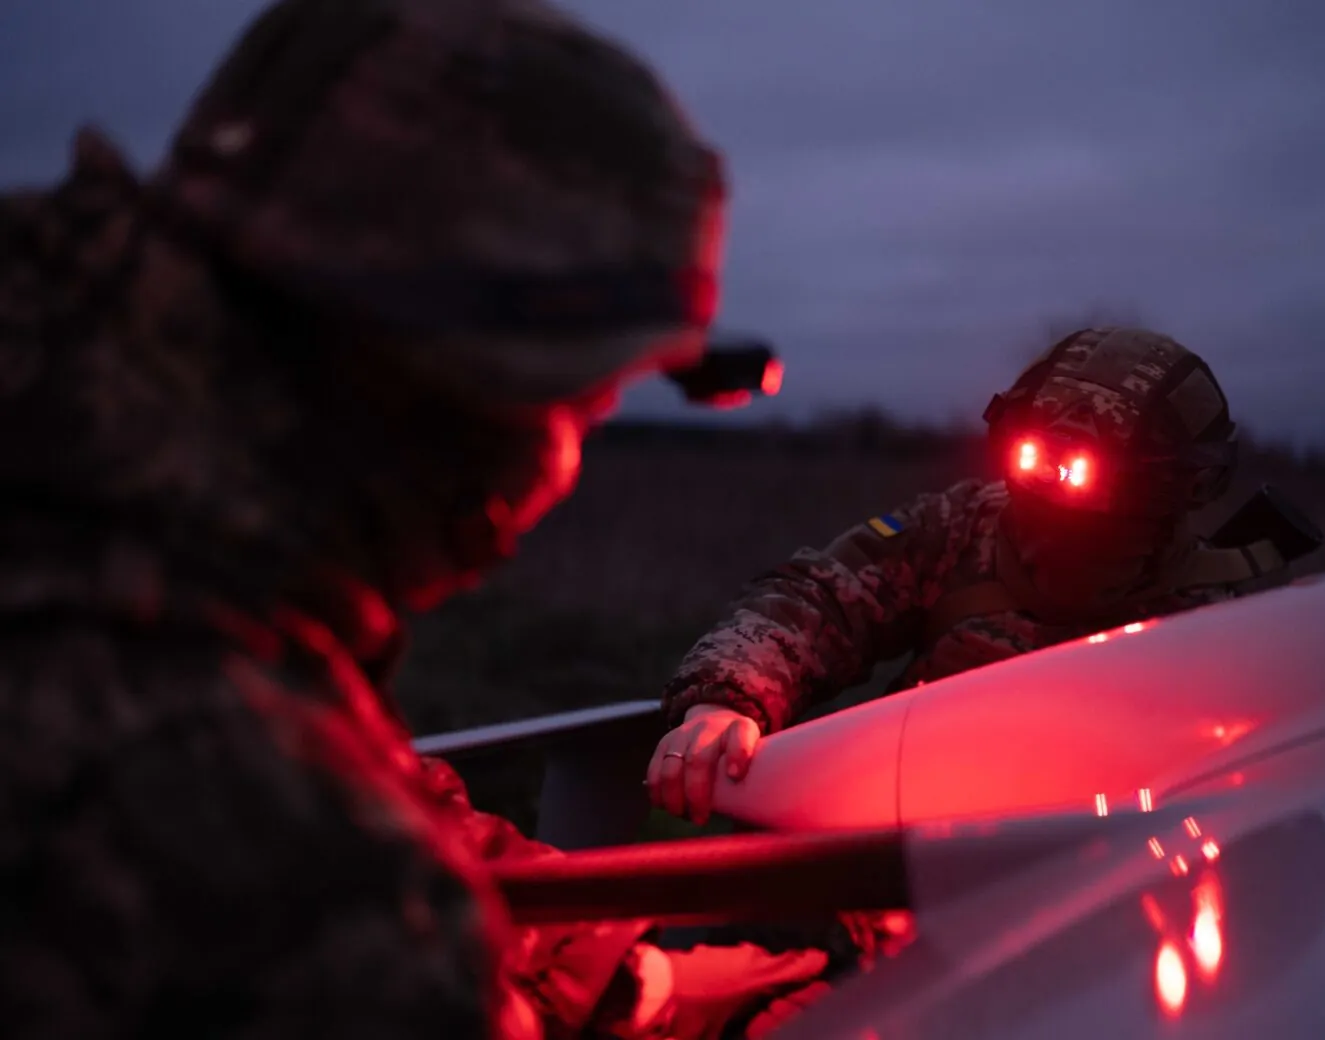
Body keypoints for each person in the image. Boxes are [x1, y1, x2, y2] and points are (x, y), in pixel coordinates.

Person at [0, 0, 828, 1037]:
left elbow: (349, 764)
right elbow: (289, 843)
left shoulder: (110, 482)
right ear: (423, 377)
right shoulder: (258, 840)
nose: (563, 468)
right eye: (575, 405)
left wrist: (633, 983)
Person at [650, 326, 1316, 824]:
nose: (1052, 486)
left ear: (1172, 487)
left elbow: (1297, 784)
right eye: (1037, 454)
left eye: (1084, 468)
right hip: (913, 876)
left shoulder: (1233, 617)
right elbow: (819, 598)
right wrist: (727, 699)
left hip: (1120, 904)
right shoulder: (960, 528)